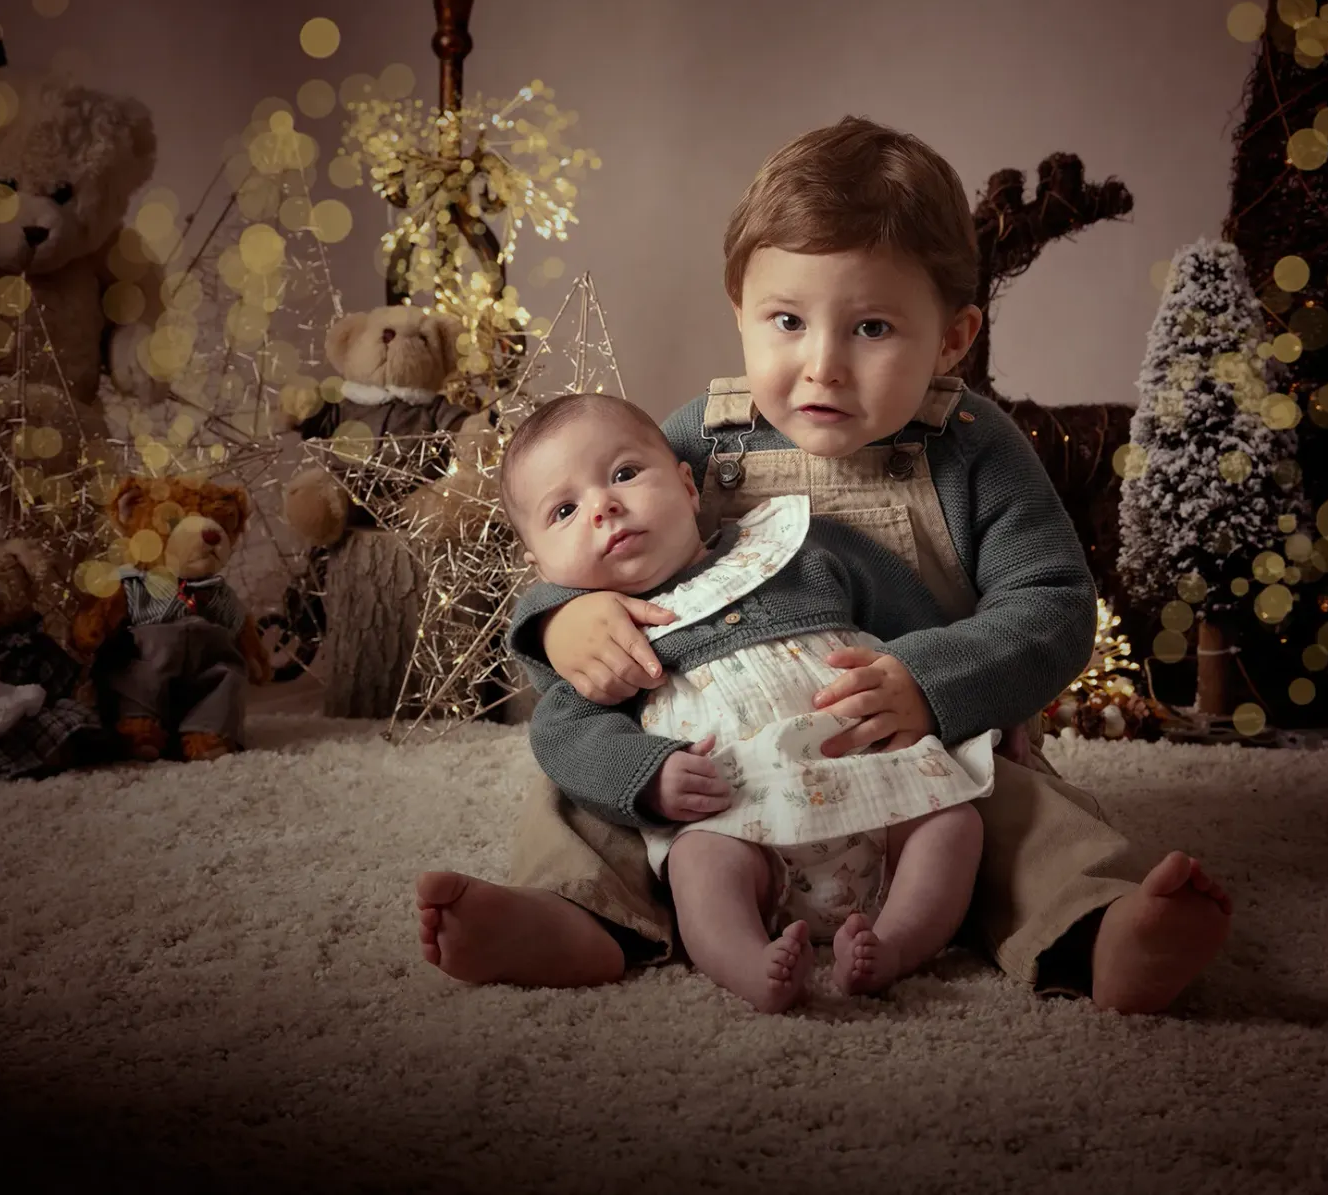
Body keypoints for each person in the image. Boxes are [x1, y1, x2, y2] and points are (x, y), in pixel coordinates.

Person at [418, 116, 1230, 1011]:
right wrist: (562, 618)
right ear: (740, 313)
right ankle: (569, 918)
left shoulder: (975, 450)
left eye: (872, 327)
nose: (822, 366)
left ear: (953, 338)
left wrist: (934, 681)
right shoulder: (698, 441)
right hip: (716, 768)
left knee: (1027, 816)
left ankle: (1099, 928)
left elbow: (1053, 604)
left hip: (918, 748)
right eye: (787, 321)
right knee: (584, 788)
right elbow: (591, 541)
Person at [490, 392, 998, 1011]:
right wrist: (646, 778)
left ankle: (894, 944)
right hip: (737, 813)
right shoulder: (604, 645)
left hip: (879, 779)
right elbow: (566, 735)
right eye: (564, 510)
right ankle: (746, 963)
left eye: (624, 474)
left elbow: (915, 618)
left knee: (954, 821)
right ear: (540, 565)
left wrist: (965, 695)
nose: (604, 507)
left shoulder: (797, 548)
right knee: (698, 863)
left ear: (687, 485)